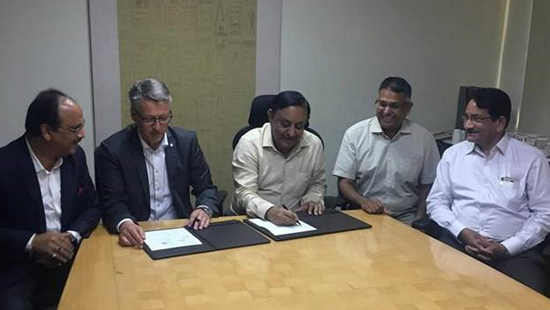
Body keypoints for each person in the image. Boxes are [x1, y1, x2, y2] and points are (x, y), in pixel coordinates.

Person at [427, 87, 550, 295]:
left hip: (514, 254)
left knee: (529, 297)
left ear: (500, 123)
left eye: (476, 119)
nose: (467, 125)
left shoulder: (532, 159)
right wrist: (462, 231)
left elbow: (544, 214)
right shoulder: (453, 155)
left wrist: (507, 247)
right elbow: (436, 203)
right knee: (432, 289)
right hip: (457, 243)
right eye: (466, 118)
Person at [0, 89, 101, 309]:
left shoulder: (75, 156)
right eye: (75, 129)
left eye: (82, 125)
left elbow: (93, 207)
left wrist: (70, 237)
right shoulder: (5, 165)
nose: (83, 134)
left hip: (71, 257)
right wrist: (33, 242)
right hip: (19, 268)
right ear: (47, 131)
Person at [95, 78, 219, 247]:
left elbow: (206, 188)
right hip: (137, 232)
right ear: (134, 116)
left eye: (164, 118)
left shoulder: (186, 142)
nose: (158, 127)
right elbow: (112, 203)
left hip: (181, 230)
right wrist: (125, 223)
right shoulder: (112, 150)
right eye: (149, 120)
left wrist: (203, 209)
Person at [333, 77, 439, 225]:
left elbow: (428, 186)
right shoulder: (355, 134)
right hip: (364, 214)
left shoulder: (424, 139)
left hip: (406, 218)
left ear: (407, 108)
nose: (386, 111)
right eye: (382, 104)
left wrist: (419, 221)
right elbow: (344, 182)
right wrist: (364, 202)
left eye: (394, 106)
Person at [232, 91, 326, 225]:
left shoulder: (313, 144)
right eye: (285, 125)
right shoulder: (249, 143)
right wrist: (269, 211)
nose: (292, 133)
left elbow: (317, 184)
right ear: (270, 116)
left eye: (299, 126)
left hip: (298, 220)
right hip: (252, 220)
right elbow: (244, 193)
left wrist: (313, 199)